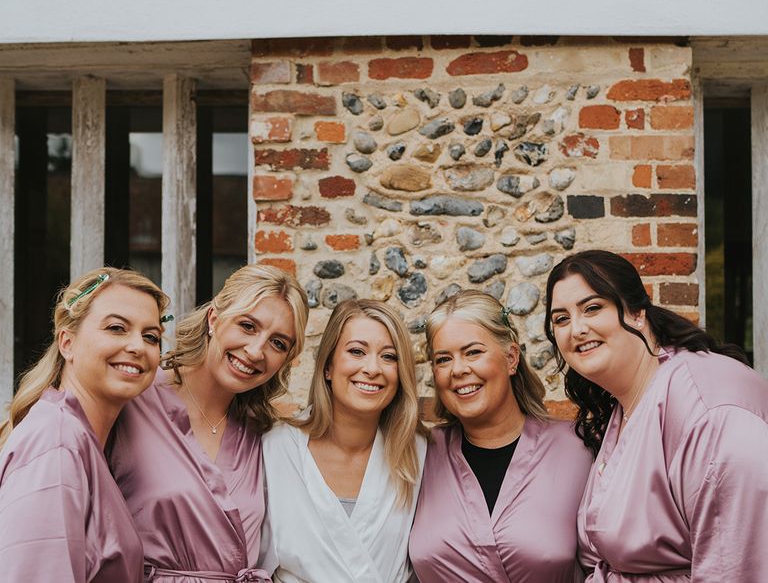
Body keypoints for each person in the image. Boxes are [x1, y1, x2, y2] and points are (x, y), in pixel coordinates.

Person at [545, 249, 768, 582]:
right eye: (561, 319)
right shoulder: (628, 402)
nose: (576, 329)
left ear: (637, 313)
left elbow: (736, 564)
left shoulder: (707, 407)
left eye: (592, 308)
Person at [109, 264, 308, 582]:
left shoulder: (263, 434)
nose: (256, 351)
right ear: (214, 319)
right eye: (247, 326)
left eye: (278, 343)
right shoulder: (135, 399)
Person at [409, 289, 592, 583]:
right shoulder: (420, 453)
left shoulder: (578, 449)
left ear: (510, 358)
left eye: (473, 352)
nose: (458, 369)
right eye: (443, 359)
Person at [0, 268, 170, 582]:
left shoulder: (86, 439)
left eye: (151, 336)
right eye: (117, 328)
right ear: (67, 342)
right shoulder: (55, 441)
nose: (137, 346)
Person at [261, 298, 428, 583]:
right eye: (356, 351)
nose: (372, 368)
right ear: (328, 366)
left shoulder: (418, 453)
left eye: (388, 357)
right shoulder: (276, 449)